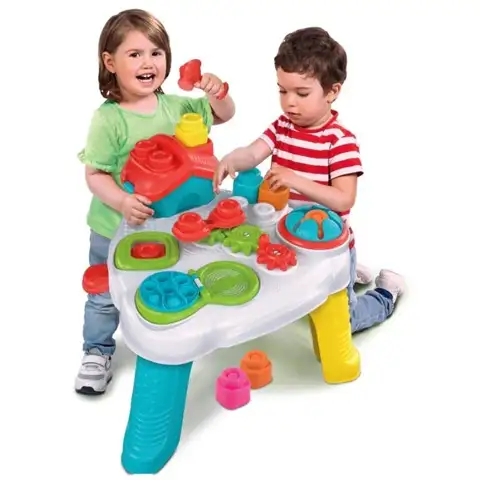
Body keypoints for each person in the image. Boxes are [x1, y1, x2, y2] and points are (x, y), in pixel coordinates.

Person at [75, 9, 236, 395]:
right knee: (104, 292)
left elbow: (224, 115)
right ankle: (96, 350)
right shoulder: (109, 120)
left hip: (170, 226)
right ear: (110, 63)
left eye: (156, 53)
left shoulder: (177, 107)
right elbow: (95, 174)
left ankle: (168, 335)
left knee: (165, 280)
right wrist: (122, 201)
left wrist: (217, 93)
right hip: (116, 227)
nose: (148, 62)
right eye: (135, 54)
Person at [214, 27, 405, 334]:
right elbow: (252, 153)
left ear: (332, 92)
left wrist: (295, 179)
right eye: (282, 91)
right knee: (290, 301)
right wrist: (231, 159)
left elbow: (344, 198)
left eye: (301, 94)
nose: (289, 103)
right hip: (286, 238)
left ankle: (385, 293)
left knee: (341, 324)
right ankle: (353, 275)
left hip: (327, 248)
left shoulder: (340, 142)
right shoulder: (282, 126)